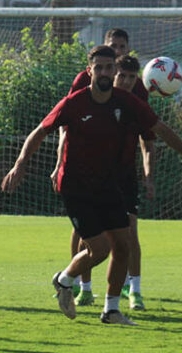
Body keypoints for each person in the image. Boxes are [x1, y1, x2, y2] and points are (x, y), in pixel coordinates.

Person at [2, 45, 182, 326]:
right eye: (99, 68)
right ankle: (65, 280)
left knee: (123, 245)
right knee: (100, 249)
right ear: (89, 71)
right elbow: (40, 132)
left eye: (109, 67)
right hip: (76, 187)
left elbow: (161, 130)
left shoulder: (126, 102)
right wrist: (20, 164)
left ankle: (111, 310)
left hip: (108, 185)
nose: (105, 72)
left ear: (115, 71)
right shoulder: (74, 103)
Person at [52, 29, 153, 309]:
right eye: (113, 47)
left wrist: (149, 172)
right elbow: (63, 124)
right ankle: (80, 285)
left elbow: (152, 132)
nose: (117, 53)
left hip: (121, 174)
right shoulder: (83, 87)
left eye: (121, 48)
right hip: (84, 177)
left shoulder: (136, 93)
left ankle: (125, 296)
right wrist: (58, 162)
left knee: (126, 235)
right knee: (90, 238)